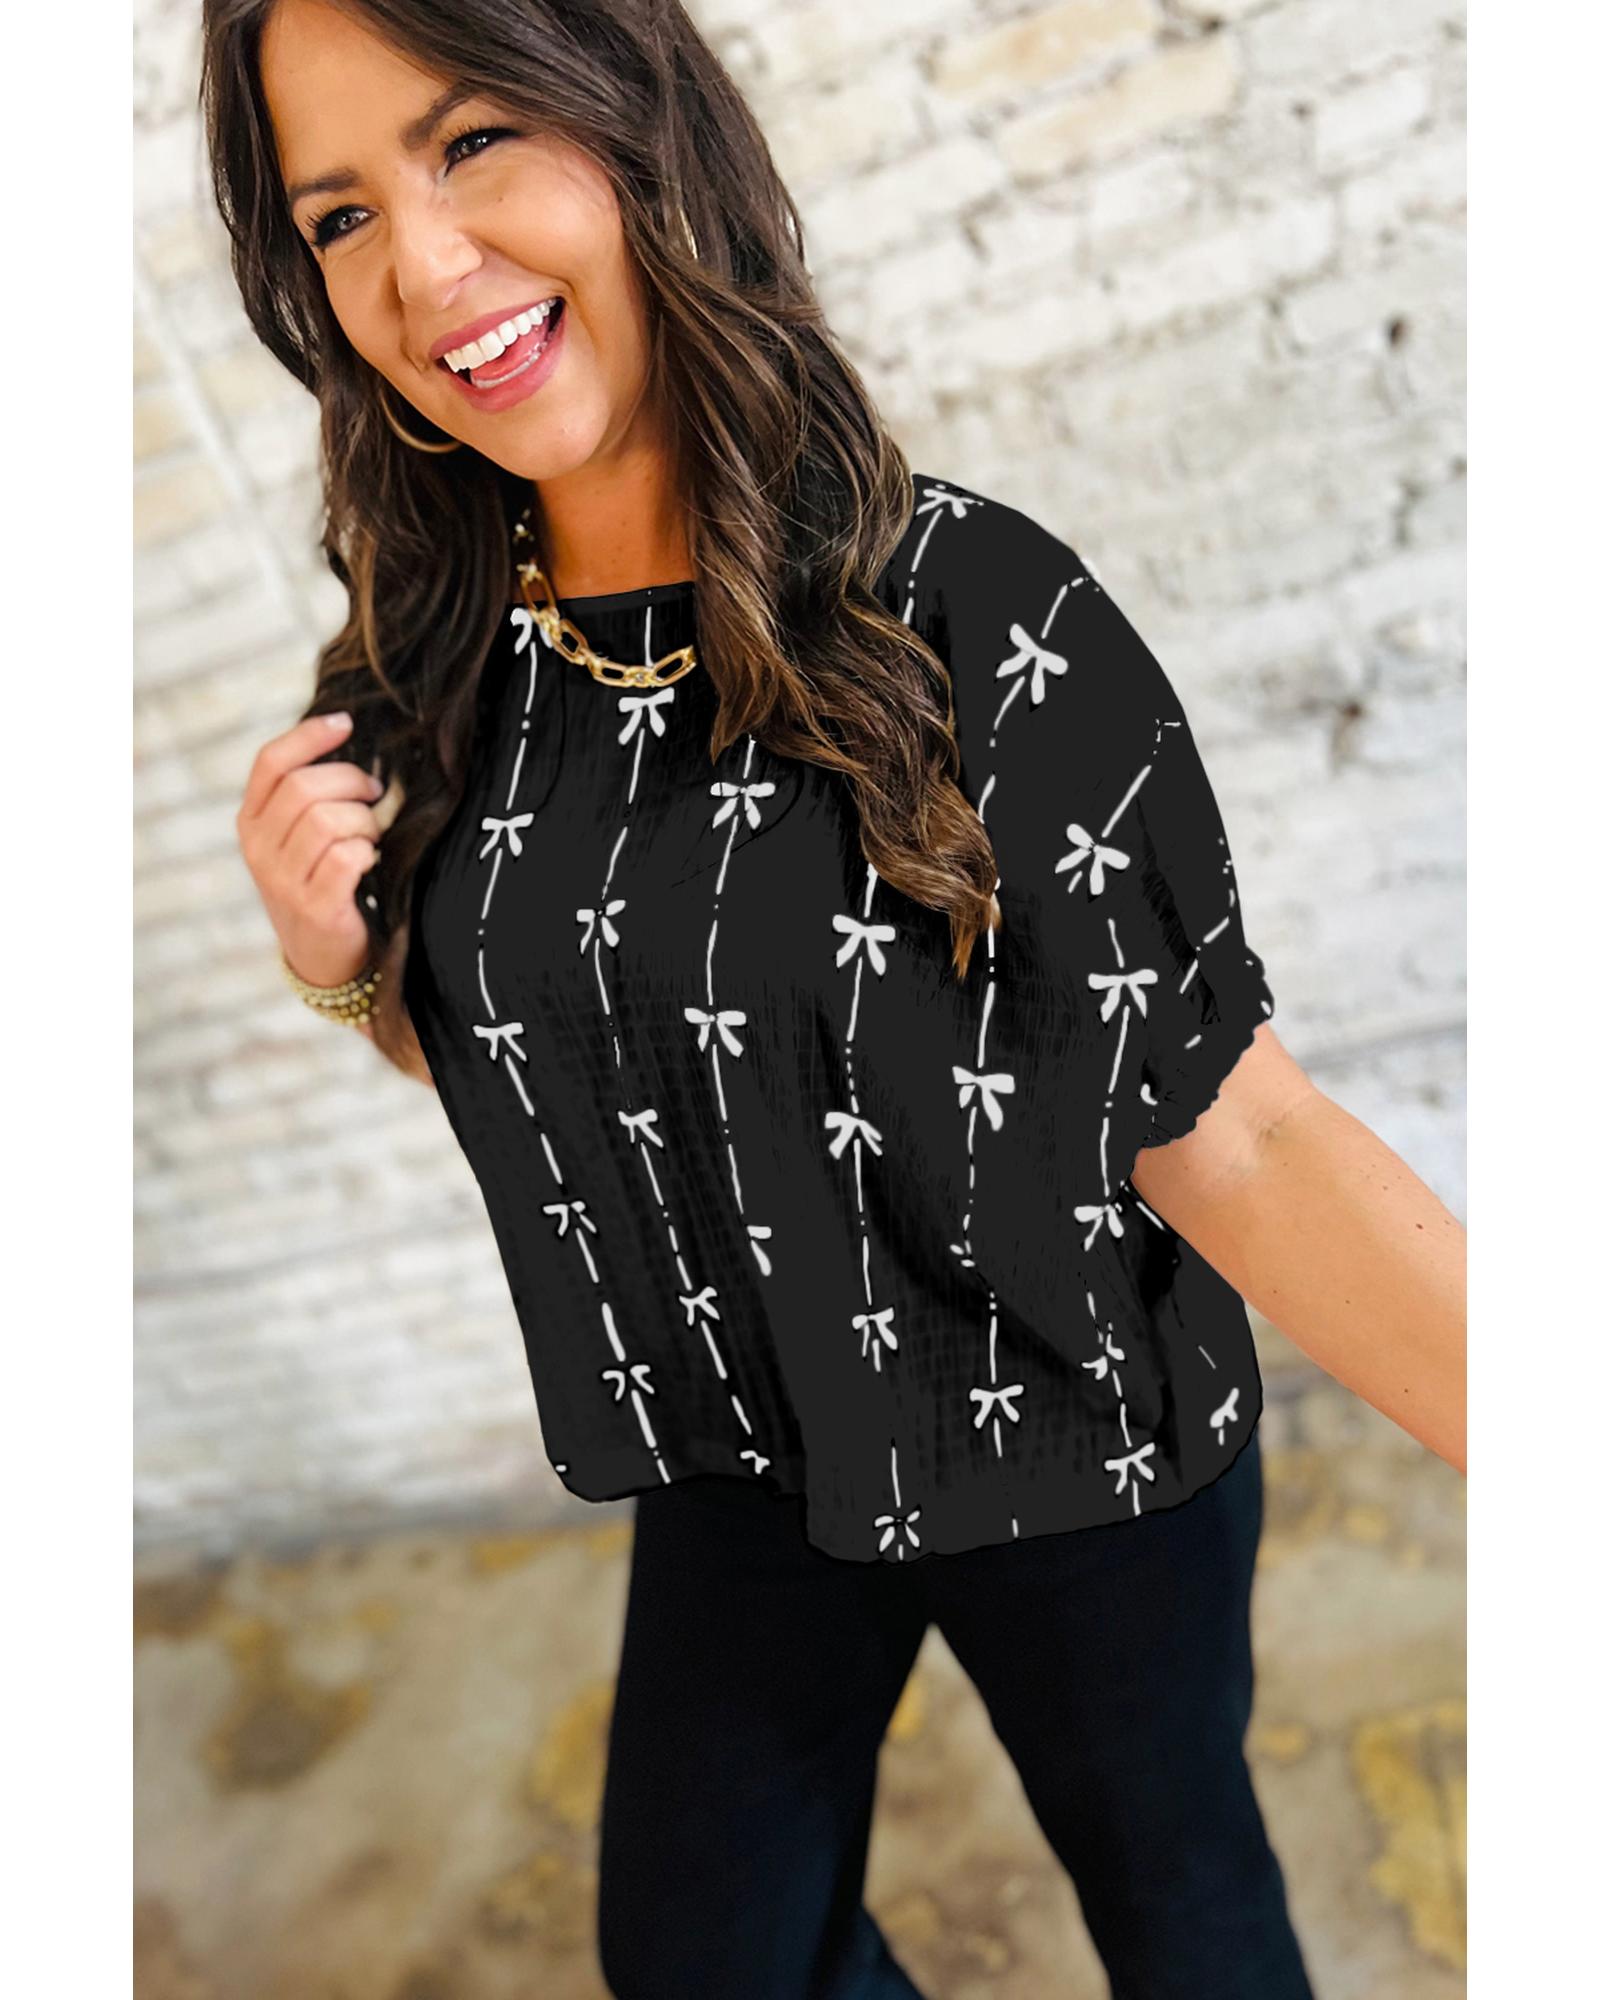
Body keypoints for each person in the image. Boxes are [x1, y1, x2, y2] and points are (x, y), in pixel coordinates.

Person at [205, 1, 1466, 1993]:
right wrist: (335, 968)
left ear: (635, 123)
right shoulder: (415, 665)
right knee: (698, 1955)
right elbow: (539, 1064)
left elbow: (1234, 1129)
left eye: (471, 142)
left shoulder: (973, 609)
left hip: (1069, 1423)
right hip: (743, 1448)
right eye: (339, 213)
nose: (421, 267)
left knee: (1183, 1904)